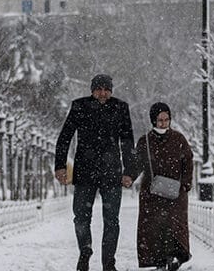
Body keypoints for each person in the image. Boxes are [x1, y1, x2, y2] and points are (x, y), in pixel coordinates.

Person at [55, 74, 137, 271]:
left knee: (112, 220)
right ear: (92, 90)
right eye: (99, 89)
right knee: (81, 217)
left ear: (111, 90)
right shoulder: (79, 106)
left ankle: (109, 263)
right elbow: (65, 136)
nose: (102, 93)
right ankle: (85, 251)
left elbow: (127, 141)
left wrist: (129, 172)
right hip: (85, 172)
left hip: (111, 173)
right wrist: (60, 166)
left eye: (106, 89)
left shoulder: (120, 108)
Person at [134, 102, 193, 271]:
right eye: (160, 120)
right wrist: (128, 177)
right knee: (153, 228)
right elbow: (137, 164)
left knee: (175, 227)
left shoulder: (179, 139)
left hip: (175, 192)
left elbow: (188, 161)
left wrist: (185, 184)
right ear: (153, 120)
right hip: (151, 192)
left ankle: (176, 258)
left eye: (166, 119)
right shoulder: (145, 141)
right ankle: (158, 260)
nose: (163, 123)